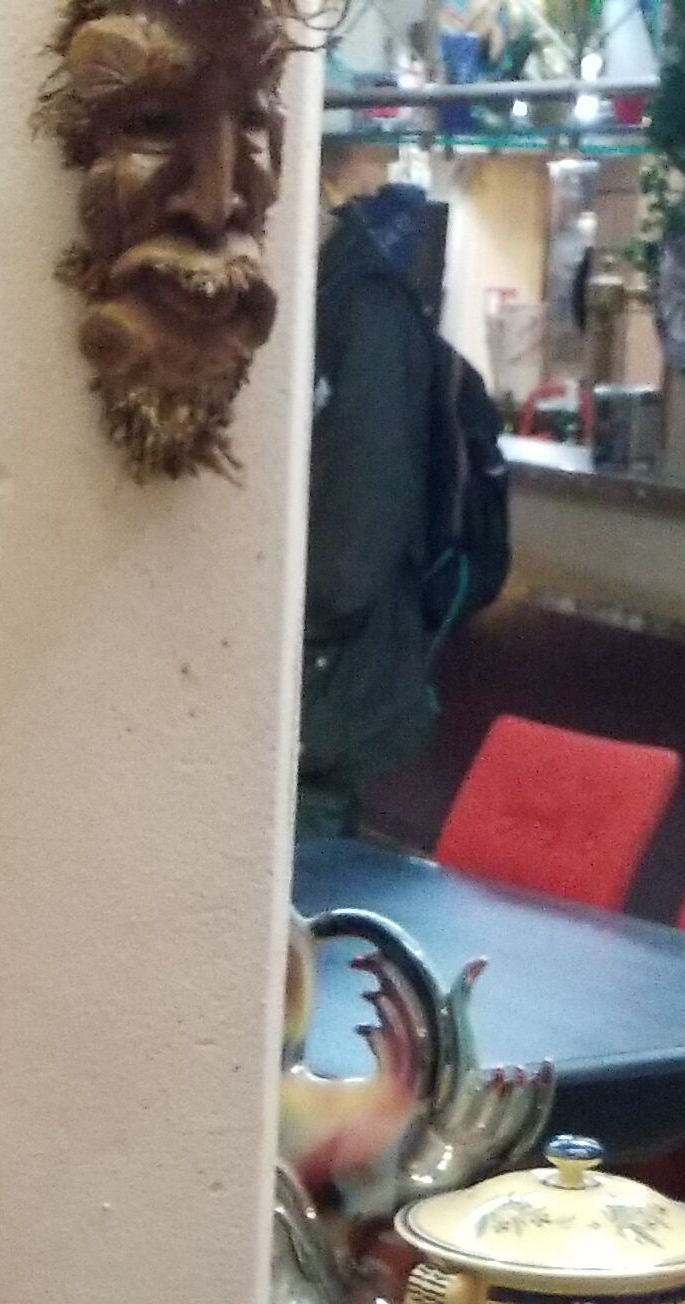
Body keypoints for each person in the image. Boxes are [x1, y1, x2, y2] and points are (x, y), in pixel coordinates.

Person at [297, 179, 441, 838]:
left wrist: (288, 631)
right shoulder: (322, 302)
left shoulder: (363, 315)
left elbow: (355, 545)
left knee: (306, 908)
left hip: (335, 688)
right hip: (318, 680)